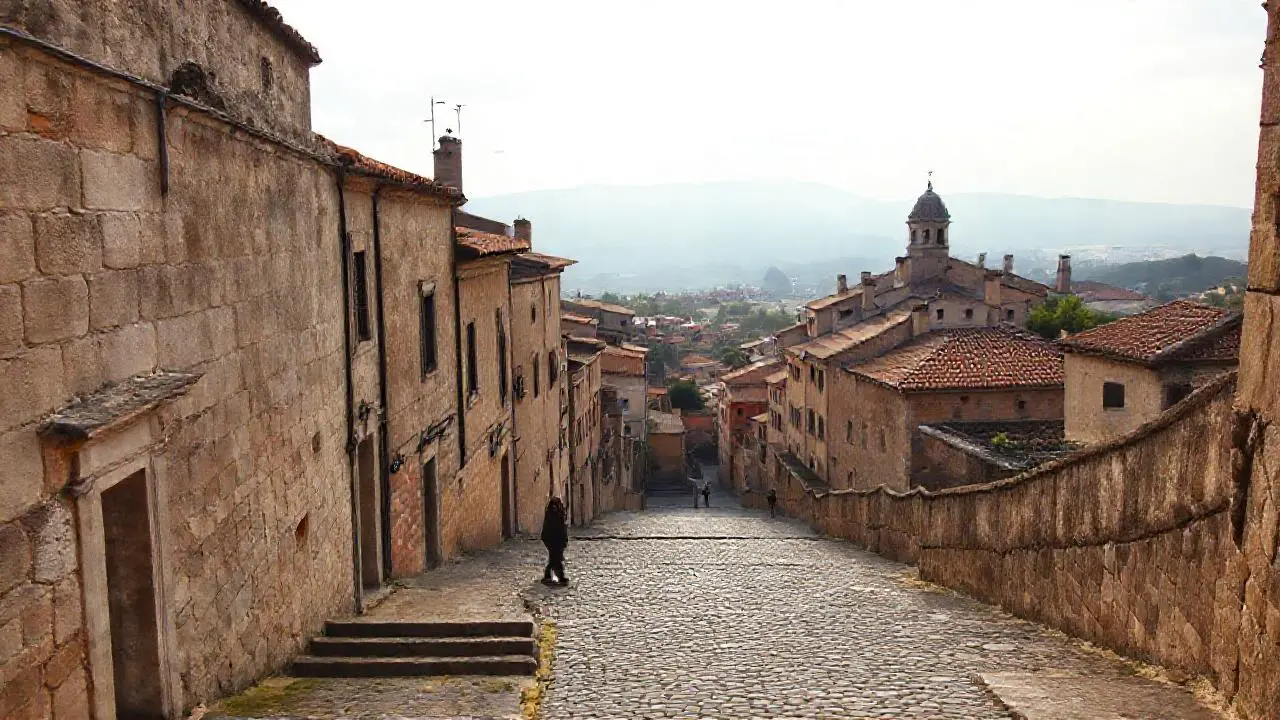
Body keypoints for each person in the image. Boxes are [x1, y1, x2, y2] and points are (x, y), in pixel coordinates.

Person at [540, 497, 569, 586]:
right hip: (553, 540)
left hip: (555, 539)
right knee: (556, 558)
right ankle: (560, 577)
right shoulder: (552, 514)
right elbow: (556, 528)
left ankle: (548, 576)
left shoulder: (556, 513)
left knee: (554, 558)